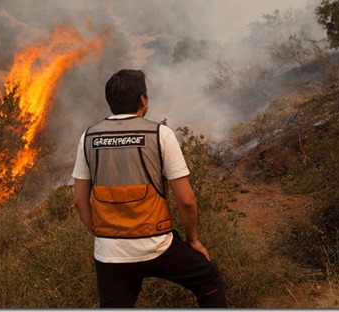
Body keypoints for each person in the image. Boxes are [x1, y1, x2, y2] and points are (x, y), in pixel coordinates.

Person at [72, 69, 228, 308]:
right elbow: (186, 200)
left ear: (110, 102)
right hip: (157, 245)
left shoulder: (88, 137)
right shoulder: (160, 134)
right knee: (208, 276)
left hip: (109, 252)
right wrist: (192, 240)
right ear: (143, 100)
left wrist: (100, 232)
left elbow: (79, 201)